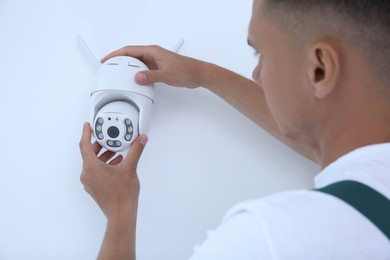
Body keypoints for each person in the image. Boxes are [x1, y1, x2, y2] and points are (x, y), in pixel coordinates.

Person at [79, 0, 390, 259]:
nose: (256, 75)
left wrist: (120, 211)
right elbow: (326, 138)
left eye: (261, 54)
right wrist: (203, 74)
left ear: (320, 68)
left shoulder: (270, 241)